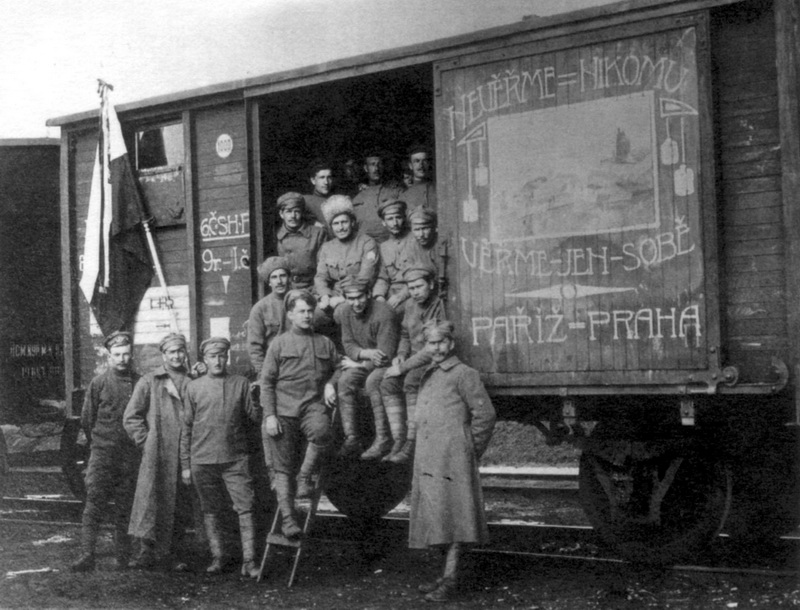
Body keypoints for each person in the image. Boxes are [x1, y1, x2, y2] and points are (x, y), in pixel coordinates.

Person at [408, 320, 496, 602]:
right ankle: (444, 576)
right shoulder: (429, 374)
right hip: (430, 460)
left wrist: (470, 449)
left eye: (440, 342)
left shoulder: (464, 374)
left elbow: (485, 416)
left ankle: (451, 581)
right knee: (439, 517)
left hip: (453, 460)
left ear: (451, 344)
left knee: (458, 520)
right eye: (430, 343)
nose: (436, 348)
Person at [260, 290, 339, 538]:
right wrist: (270, 415)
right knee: (282, 469)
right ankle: (288, 521)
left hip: (311, 406)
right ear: (291, 314)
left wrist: (331, 383)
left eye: (309, 311)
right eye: (301, 311)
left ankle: (304, 477)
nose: (307, 315)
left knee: (323, 431)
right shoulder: (279, 343)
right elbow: (267, 382)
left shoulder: (325, 343)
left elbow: (339, 368)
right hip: (283, 410)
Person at [181, 337, 262, 577]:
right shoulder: (193, 388)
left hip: (235, 458)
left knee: (245, 507)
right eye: (212, 356)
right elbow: (186, 428)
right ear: (204, 360)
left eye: (221, 356)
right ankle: (218, 558)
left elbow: (254, 419)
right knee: (211, 509)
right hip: (202, 460)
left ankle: (249, 562)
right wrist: (186, 464)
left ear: (227, 358)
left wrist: (257, 400)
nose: (218, 361)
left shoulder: (241, 383)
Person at [123, 333, 202, 571]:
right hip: (157, 453)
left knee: (178, 503)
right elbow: (131, 417)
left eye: (181, 351)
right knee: (150, 501)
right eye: (172, 351)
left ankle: (175, 553)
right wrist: (146, 442)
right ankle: (146, 552)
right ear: (164, 355)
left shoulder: (192, 381)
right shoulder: (150, 381)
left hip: (184, 452)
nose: (177, 355)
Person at [71, 331, 141, 572]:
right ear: (109, 356)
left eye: (126, 354)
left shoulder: (140, 382)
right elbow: (87, 420)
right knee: (94, 505)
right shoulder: (98, 383)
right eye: (117, 355)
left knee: (125, 507)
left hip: (129, 457)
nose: (122, 359)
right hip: (102, 455)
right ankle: (87, 554)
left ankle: (123, 557)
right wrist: (100, 444)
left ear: (132, 355)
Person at [382, 263, 446, 463]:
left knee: (410, 380)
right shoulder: (409, 305)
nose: (415, 292)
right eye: (411, 288)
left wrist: (402, 367)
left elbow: (432, 349)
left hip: (432, 361)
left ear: (431, 285)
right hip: (412, 359)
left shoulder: (438, 306)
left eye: (419, 287)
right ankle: (398, 439)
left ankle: (411, 441)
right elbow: (404, 334)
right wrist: (401, 354)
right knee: (387, 383)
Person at [335, 275, 400, 460]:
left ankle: (383, 438)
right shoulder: (345, 312)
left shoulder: (384, 313)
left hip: (386, 363)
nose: (356, 303)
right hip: (366, 359)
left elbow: (385, 355)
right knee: (345, 381)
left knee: (373, 381)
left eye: (360, 297)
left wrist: (361, 362)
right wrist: (367, 354)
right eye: (351, 298)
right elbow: (348, 344)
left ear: (369, 294)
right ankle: (352, 438)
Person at [314, 195, 380, 329]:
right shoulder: (327, 247)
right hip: (333, 295)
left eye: (344, 222)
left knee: (341, 312)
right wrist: (325, 295)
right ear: (331, 227)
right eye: (336, 224)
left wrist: (343, 298)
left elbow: (366, 277)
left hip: (359, 296)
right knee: (315, 315)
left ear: (352, 223)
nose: (341, 227)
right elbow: (321, 277)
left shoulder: (367, 243)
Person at [247, 255, 292, 377]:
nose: (279, 281)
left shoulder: (299, 301)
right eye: (274, 277)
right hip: (273, 367)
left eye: (283, 276)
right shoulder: (260, 308)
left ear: (289, 278)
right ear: (269, 282)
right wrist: (264, 374)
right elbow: (255, 347)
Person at [275, 192, 327, 291]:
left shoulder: (317, 233)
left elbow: (323, 269)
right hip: (287, 289)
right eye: (288, 211)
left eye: (297, 211)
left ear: (302, 213)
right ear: (281, 214)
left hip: (313, 287)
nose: (293, 216)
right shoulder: (276, 236)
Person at [372, 198, 414, 311]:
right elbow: (382, 277)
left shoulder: (415, 240)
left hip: (412, 292)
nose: (395, 223)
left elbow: (422, 275)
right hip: (391, 293)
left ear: (404, 218)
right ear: (384, 222)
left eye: (398, 217)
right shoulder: (383, 247)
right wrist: (379, 296)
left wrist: (401, 296)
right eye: (390, 219)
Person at [351, 150, 403, 243]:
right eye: (372, 164)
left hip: (390, 243)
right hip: (364, 245)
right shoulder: (357, 195)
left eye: (379, 164)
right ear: (366, 168)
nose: (376, 169)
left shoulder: (395, 191)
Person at [402, 145, 437, 211]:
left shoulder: (438, 188)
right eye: (417, 161)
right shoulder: (405, 195)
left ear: (429, 164)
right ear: (410, 165)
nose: (421, 165)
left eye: (425, 161)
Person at [304, 160, 335, 227]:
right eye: (322, 177)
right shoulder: (306, 201)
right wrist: (313, 222)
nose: (326, 182)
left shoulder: (337, 200)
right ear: (313, 180)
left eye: (329, 177)